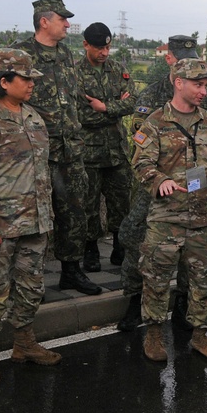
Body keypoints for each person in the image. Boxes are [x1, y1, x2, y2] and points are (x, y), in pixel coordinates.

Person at [132, 58, 207, 362]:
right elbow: (141, 163)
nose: (203, 91)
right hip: (166, 218)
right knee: (155, 280)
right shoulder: (154, 122)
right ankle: (153, 335)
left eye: (205, 85)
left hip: (201, 216)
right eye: (198, 84)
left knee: (204, 280)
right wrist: (160, 179)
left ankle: (200, 336)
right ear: (178, 83)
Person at [0, 49, 60, 387]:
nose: (32, 84)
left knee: (31, 288)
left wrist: (45, 216)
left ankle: (24, 344)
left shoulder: (32, 117)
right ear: (4, 82)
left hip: (34, 222)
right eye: (25, 79)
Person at [116, 35, 207, 332]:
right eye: (181, 57)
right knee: (137, 234)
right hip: (159, 181)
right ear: (170, 61)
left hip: (196, 179)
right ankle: (135, 298)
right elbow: (139, 136)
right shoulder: (153, 94)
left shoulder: (205, 95)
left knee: (194, 240)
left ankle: (184, 301)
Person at [12, 0, 101, 296]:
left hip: (70, 150)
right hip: (35, 153)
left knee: (74, 212)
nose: (67, 23)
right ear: (43, 21)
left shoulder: (65, 54)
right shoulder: (21, 53)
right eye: (62, 19)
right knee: (32, 216)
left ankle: (71, 271)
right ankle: (26, 279)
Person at [76, 22, 134, 273]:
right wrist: (114, 109)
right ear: (86, 45)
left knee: (121, 201)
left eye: (108, 47)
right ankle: (91, 249)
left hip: (117, 152)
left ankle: (120, 247)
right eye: (99, 47)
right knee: (88, 204)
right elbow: (79, 115)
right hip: (89, 153)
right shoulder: (74, 73)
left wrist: (103, 107)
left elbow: (133, 102)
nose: (104, 52)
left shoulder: (118, 70)